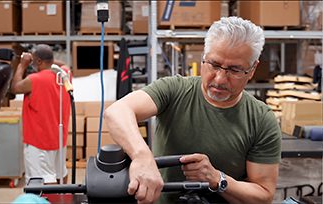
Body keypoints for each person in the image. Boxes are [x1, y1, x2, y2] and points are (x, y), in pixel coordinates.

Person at [104, 16, 281, 203]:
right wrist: (141, 156)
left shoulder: (261, 120)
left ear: (252, 69)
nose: (220, 79)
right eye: (214, 64)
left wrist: (217, 179)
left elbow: (263, 195)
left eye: (235, 70)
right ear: (203, 57)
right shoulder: (175, 90)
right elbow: (117, 111)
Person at [10, 44, 71, 185]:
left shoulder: (34, 80)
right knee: (60, 175)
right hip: (59, 139)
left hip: (39, 141)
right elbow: (64, 64)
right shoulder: (64, 75)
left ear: (38, 61)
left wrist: (23, 64)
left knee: (43, 181)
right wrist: (45, 60)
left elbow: (15, 87)